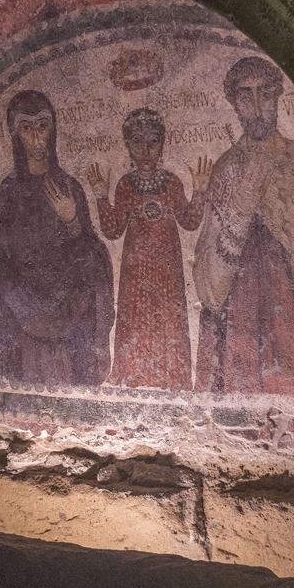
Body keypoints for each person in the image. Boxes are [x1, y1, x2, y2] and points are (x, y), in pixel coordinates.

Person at [192, 57, 294, 395]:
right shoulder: (228, 170)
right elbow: (209, 288)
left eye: (265, 94)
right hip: (240, 337)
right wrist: (241, 214)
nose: (257, 106)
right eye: (245, 96)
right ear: (234, 104)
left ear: (278, 97)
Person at [0, 90, 114, 386]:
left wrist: (71, 220)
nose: (35, 138)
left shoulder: (69, 187)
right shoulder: (8, 189)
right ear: (15, 133)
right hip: (20, 311)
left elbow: (92, 257)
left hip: (67, 309)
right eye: (26, 127)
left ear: (52, 129)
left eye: (42, 126)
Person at [88, 109, 211, 391]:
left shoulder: (172, 183)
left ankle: (172, 378)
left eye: (153, 142)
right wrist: (100, 197)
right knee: (134, 317)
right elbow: (113, 230)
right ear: (128, 146)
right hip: (136, 267)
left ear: (162, 145)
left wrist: (200, 191)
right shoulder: (125, 186)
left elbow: (189, 222)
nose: (145, 150)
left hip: (167, 266)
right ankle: (133, 375)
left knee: (169, 317)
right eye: (136, 142)